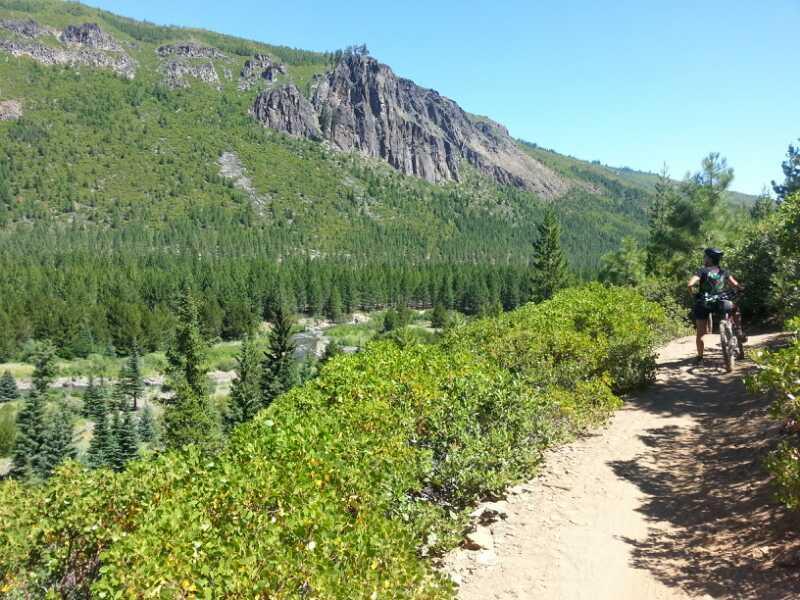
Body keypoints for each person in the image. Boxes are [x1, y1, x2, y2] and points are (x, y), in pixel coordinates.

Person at [686, 247, 744, 364]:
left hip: (704, 303)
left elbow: (690, 284)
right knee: (735, 309)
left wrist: (694, 296)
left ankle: (700, 358)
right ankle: (738, 330)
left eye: (705, 257)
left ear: (709, 259)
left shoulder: (702, 271)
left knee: (700, 333)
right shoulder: (724, 272)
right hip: (721, 302)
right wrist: (741, 289)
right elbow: (736, 285)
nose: (704, 259)